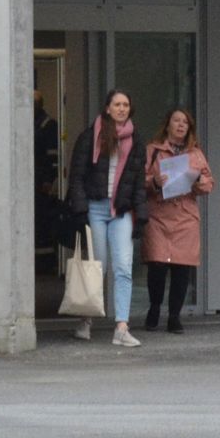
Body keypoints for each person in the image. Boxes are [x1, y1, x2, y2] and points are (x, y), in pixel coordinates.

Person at [65, 89, 148, 347]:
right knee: (97, 267)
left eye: (126, 104)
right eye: (117, 104)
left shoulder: (135, 141)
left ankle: (121, 326)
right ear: (107, 108)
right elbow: (77, 175)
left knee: (123, 267)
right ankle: (86, 320)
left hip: (120, 211)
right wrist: (80, 209)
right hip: (95, 209)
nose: (122, 108)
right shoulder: (90, 137)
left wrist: (141, 214)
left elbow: (137, 183)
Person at [142, 107, 214, 334]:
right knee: (157, 265)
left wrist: (198, 180)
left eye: (185, 122)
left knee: (182, 268)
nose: (181, 125)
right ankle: (154, 308)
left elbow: (209, 184)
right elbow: (139, 180)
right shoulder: (153, 150)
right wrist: (154, 182)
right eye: (177, 121)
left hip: (185, 216)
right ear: (168, 124)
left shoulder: (196, 153)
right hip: (159, 215)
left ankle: (175, 316)